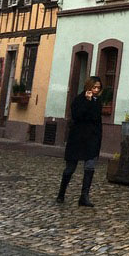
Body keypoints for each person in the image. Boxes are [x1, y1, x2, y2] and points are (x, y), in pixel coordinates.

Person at [57, 76, 103, 206]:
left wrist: (98, 138)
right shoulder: (78, 100)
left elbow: (96, 119)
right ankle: (61, 193)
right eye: (94, 87)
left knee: (90, 167)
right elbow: (78, 116)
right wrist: (88, 101)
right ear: (88, 87)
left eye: (98, 88)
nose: (96, 90)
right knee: (70, 169)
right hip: (77, 139)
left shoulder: (97, 101)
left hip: (92, 140)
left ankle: (84, 196)